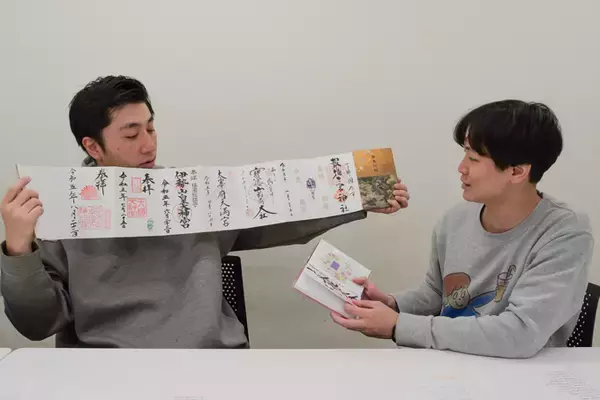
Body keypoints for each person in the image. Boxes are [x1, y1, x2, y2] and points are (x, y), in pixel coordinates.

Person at [0, 75, 410, 348]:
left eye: (151, 127)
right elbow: (38, 324)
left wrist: (361, 198)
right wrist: (19, 250)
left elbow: (275, 216)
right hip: (109, 369)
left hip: (212, 363)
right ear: (93, 146)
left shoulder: (192, 192)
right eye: (132, 133)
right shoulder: (58, 210)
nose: (149, 144)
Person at [331, 100, 594, 359]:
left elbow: (520, 333)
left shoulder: (565, 233)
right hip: (451, 365)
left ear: (517, 172)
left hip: (521, 375)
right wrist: (392, 304)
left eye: (473, 158)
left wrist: (399, 326)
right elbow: (437, 295)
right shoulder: (455, 220)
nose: (461, 168)